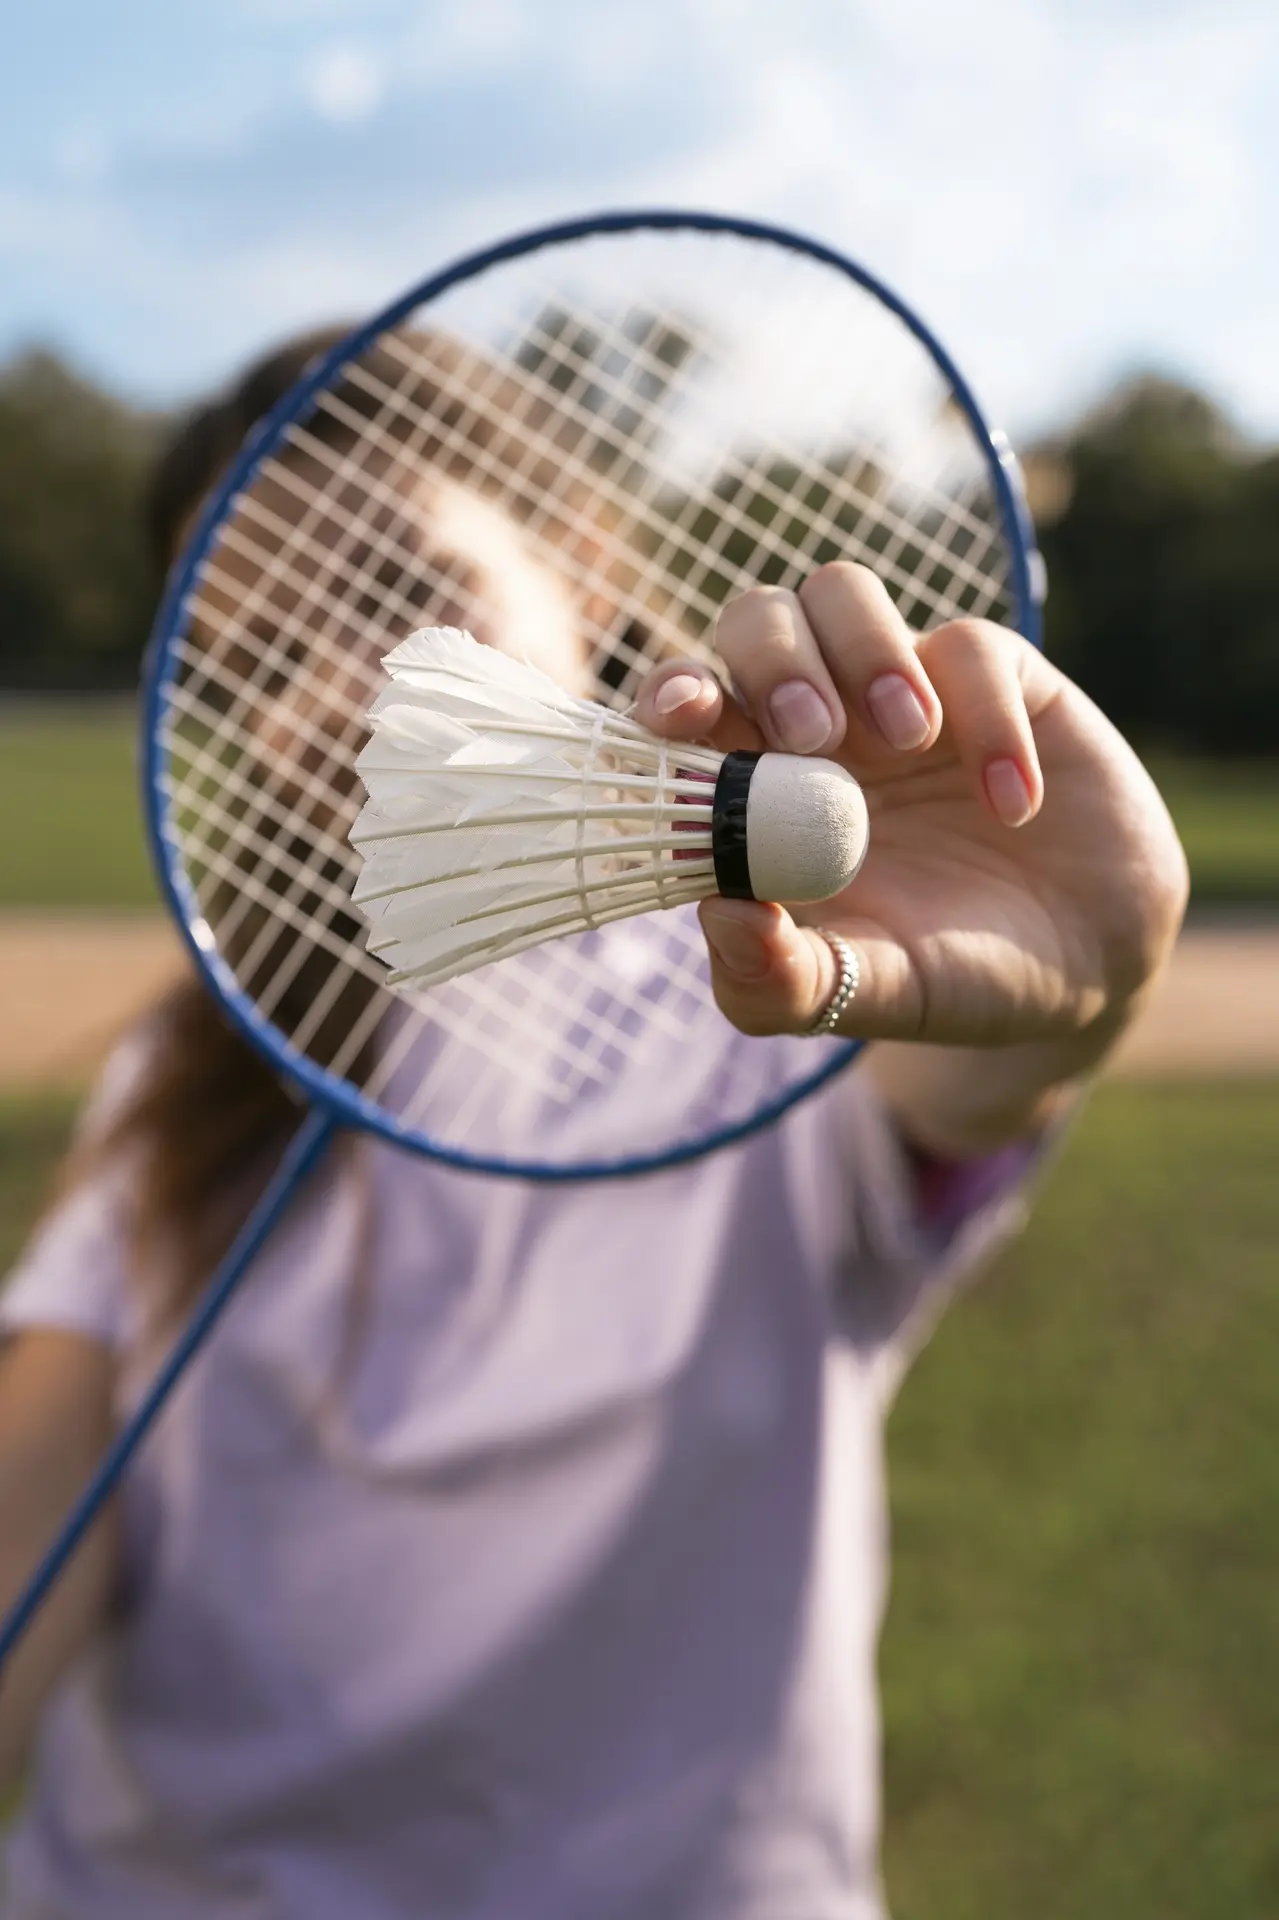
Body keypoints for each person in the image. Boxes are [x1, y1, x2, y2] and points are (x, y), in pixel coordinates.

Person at [0, 327, 1187, 1920]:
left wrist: (1072, 975)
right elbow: (49, 1471)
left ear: (587, 560)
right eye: (259, 660)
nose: (335, 693)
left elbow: (968, 1074)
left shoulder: (784, 984)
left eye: (390, 591)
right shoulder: (196, 1060)